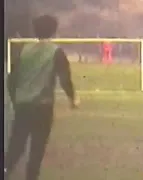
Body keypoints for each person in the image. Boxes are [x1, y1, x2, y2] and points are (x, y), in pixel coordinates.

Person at [5, 15, 79, 180]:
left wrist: (16, 99)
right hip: (43, 108)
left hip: (23, 106)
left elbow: (11, 79)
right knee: (37, 149)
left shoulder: (23, 50)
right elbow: (65, 78)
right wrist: (72, 98)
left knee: (16, 147)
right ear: (54, 31)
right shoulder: (56, 52)